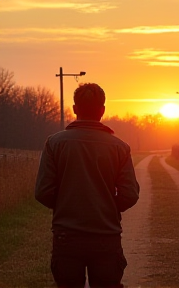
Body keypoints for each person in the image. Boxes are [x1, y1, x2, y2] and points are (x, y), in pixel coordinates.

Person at [35, 83, 140, 288]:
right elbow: (130, 194)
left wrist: (67, 206)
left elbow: (42, 192)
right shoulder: (120, 148)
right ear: (102, 110)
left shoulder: (54, 143)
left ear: (75, 109)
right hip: (106, 237)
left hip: (67, 237)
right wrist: (107, 207)